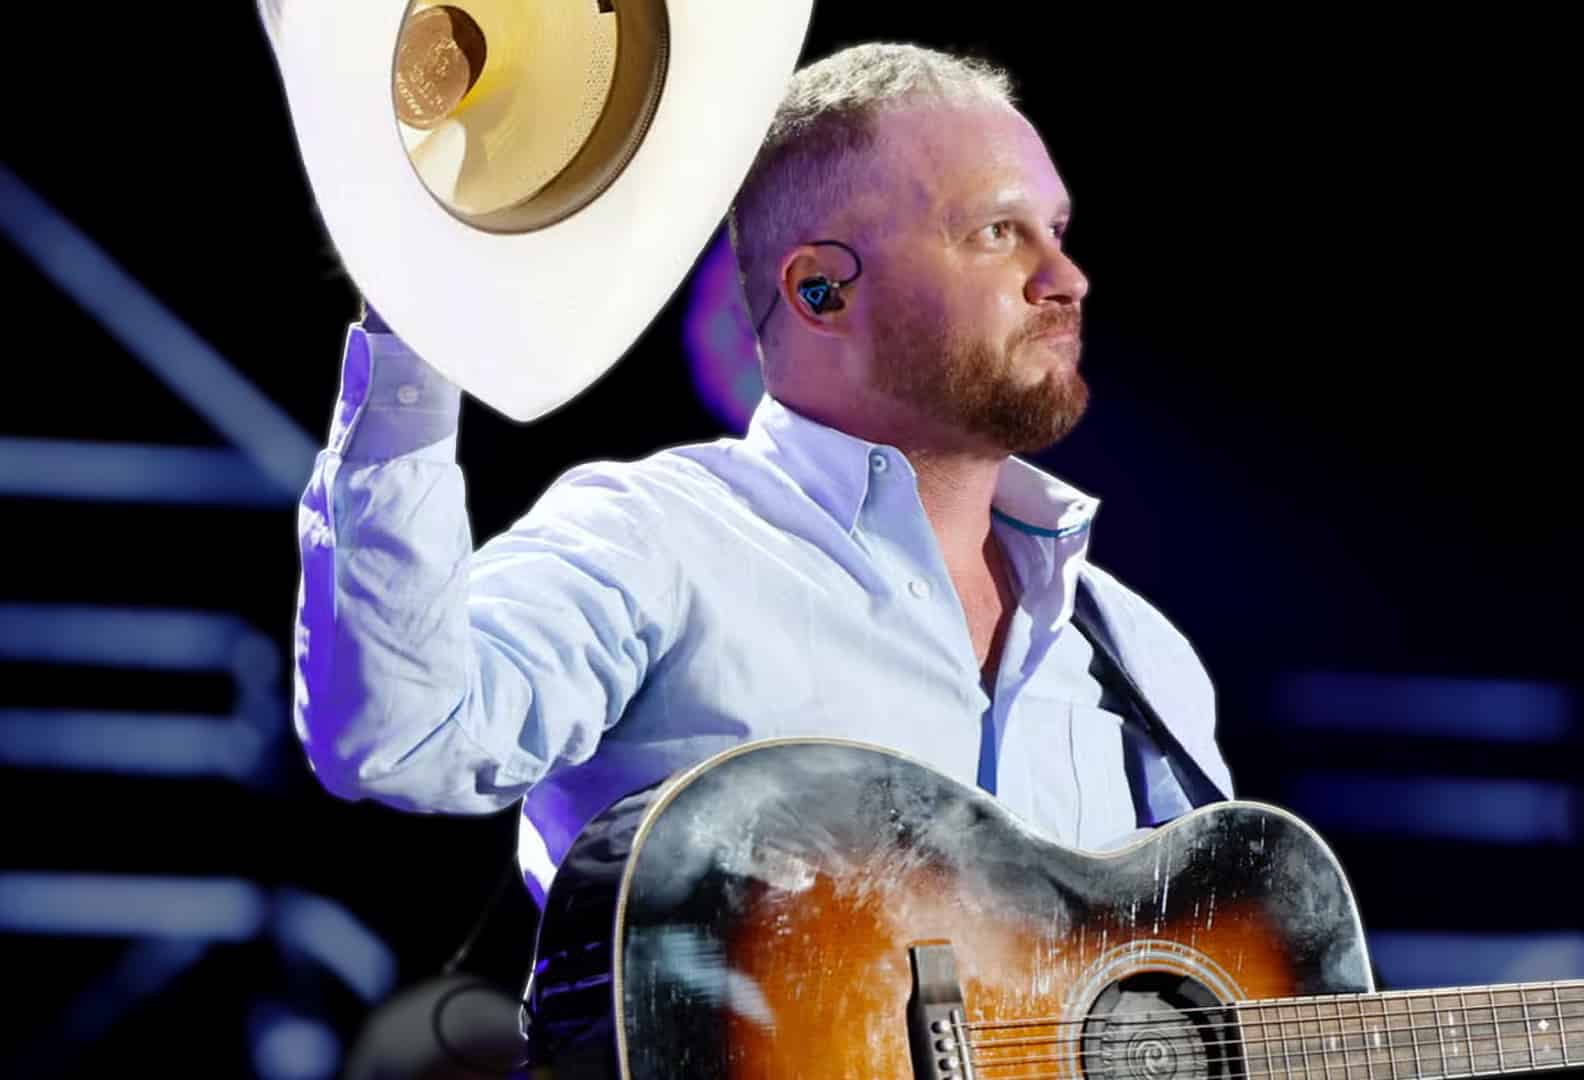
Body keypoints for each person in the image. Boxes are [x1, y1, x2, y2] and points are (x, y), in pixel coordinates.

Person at [293, 42, 1236, 915]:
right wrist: (414, 328)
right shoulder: (653, 541)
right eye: (997, 232)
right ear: (822, 290)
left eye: (1056, 229)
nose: (1065, 277)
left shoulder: (1141, 658)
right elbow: (403, 737)